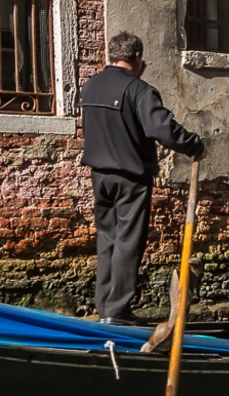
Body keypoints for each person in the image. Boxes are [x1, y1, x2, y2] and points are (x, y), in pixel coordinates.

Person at [79, 32, 205, 324]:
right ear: (137, 57)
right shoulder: (138, 90)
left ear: (111, 55)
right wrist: (195, 145)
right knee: (128, 242)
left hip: (100, 175)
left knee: (107, 240)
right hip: (130, 177)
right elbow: (162, 130)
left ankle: (105, 309)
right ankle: (118, 311)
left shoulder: (91, 87)